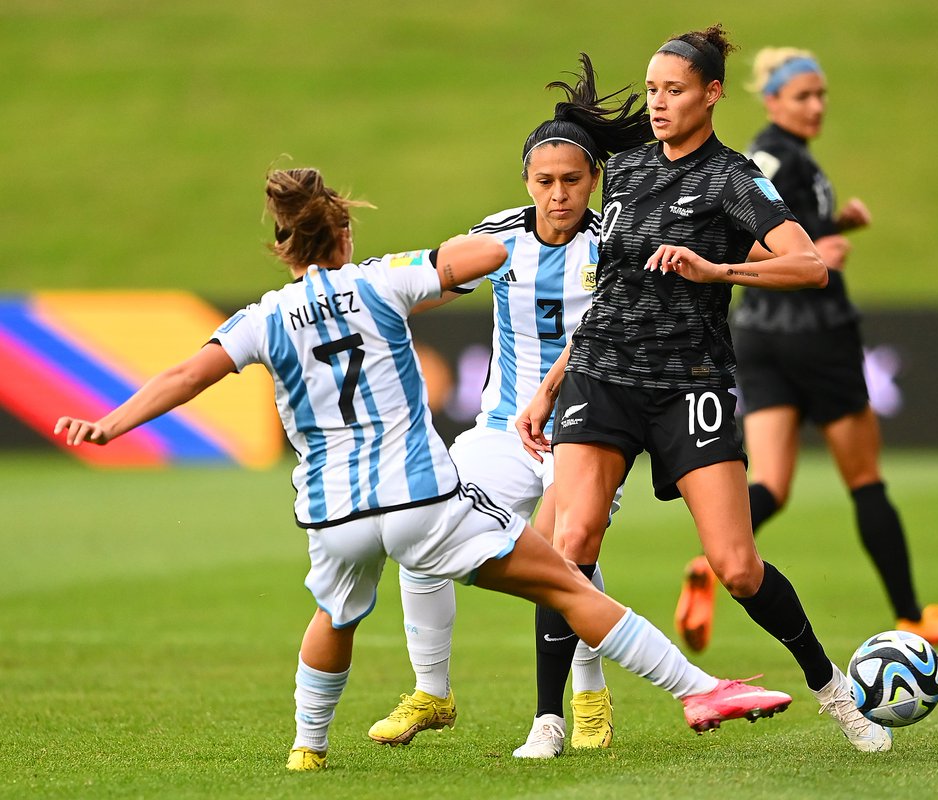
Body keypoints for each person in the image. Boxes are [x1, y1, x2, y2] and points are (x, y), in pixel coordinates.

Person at [54, 167, 793, 773]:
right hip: (417, 499)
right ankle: (699, 690)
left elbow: (188, 373)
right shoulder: (382, 283)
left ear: (284, 249)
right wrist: (434, 258)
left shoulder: (265, 317)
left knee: (335, 615)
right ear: (344, 235)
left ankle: (307, 747)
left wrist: (111, 423)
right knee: (566, 580)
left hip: (333, 515)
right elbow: (485, 257)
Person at [518, 26, 893, 753]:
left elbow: (808, 264)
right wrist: (550, 386)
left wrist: (719, 272)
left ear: (712, 93)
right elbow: (610, 291)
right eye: (652, 90)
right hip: (603, 377)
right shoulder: (622, 168)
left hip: (691, 385)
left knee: (737, 567)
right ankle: (548, 717)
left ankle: (834, 691)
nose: (657, 103)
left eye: (675, 91)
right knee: (570, 542)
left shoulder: (733, 179)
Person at [367, 54, 648, 757]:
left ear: (595, 181)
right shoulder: (499, 235)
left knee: (567, 553)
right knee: (418, 530)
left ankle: (586, 699)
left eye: (572, 181)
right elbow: (427, 274)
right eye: (545, 181)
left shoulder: (616, 244)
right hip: (500, 432)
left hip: (589, 432)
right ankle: (432, 691)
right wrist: (352, 282)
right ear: (527, 181)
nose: (558, 194)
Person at [673, 47, 938, 654]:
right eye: (803, 95)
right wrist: (808, 255)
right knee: (866, 480)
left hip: (760, 337)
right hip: (817, 335)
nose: (816, 106)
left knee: (773, 482)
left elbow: (786, 226)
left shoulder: (780, 157)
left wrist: (838, 227)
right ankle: (912, 616)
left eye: (821, 94)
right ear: (773, 100)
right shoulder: (772, 156)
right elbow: (747, 228)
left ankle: (712, 561)